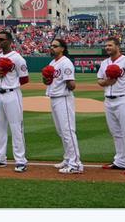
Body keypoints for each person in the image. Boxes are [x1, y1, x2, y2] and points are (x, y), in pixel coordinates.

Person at [97, 37, 125, 175]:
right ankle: (121, 161)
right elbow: (99, 80)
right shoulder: (104, 63)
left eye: (110, 45)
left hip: (123, 100)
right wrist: (107, 82)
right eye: (106, 45)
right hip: (108, 100)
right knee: (116, 132)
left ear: (117, 46)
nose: (107, 47)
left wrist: (124, 91)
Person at [0, 31, 29, 172]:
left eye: (2, 39)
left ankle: (21, 161)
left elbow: (24, 79)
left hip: (12, 94)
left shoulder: (17, 58)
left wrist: (9, 78)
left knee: (16, 128)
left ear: (10, 41)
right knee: (0, 127)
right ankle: (0, 158)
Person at [42, 38, 84, 174]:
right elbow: (48, 82)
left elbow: (72, 85)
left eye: (55, 46)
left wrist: (66, 81)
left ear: (62, 48)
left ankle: (76, 164)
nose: (52, 48)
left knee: (68, 132)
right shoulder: (53, 62)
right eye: (51, 46)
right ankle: (68, 159)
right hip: (54, 98)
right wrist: (47, 78)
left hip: (64, 99)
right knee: (61, 132)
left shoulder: (66, 63)